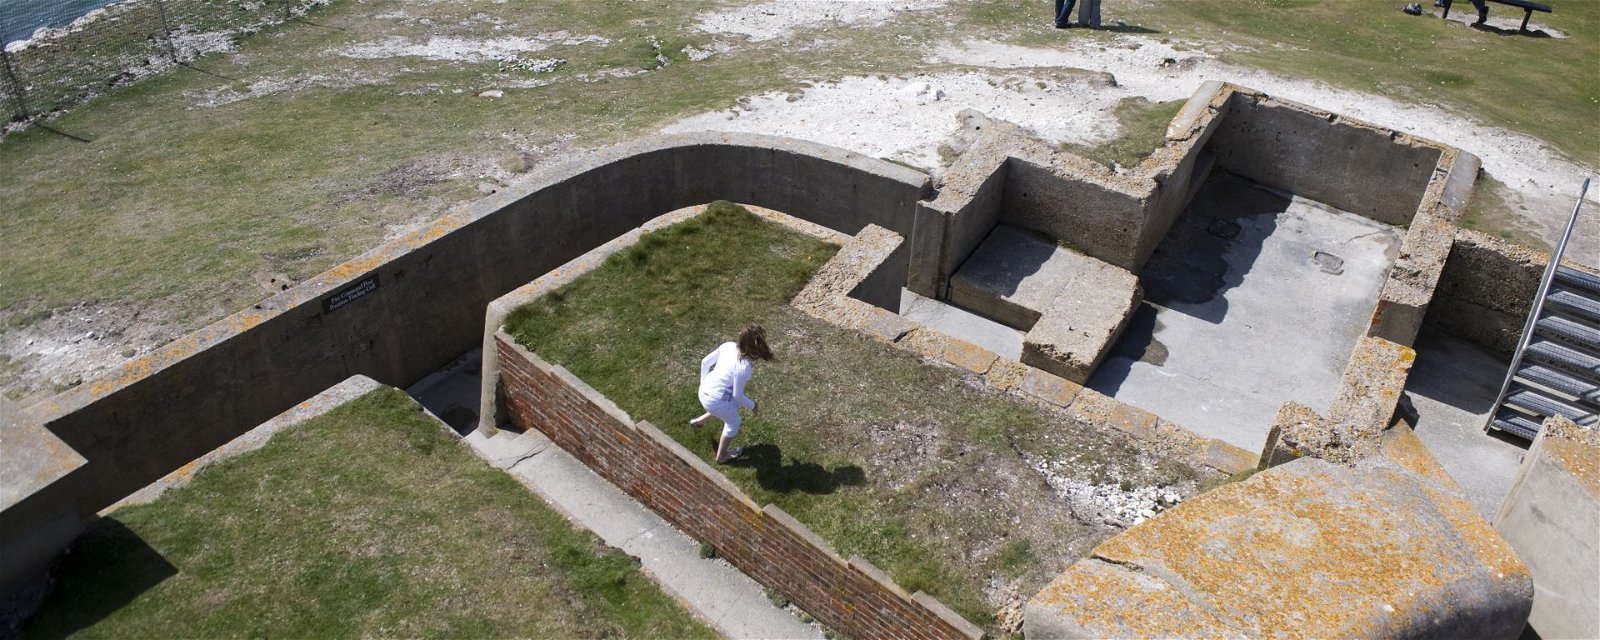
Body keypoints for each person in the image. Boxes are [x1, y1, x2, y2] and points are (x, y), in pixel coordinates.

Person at [689, 325, 774, 464]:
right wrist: (753, 405)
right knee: (734, 422)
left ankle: (700, 421)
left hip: (703, 391)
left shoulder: (728, 346)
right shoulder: (743, 367)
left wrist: (704, 384)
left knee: (733, 405)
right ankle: (721, 456)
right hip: (715, 401)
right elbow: (738, 395)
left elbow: (705, 363)